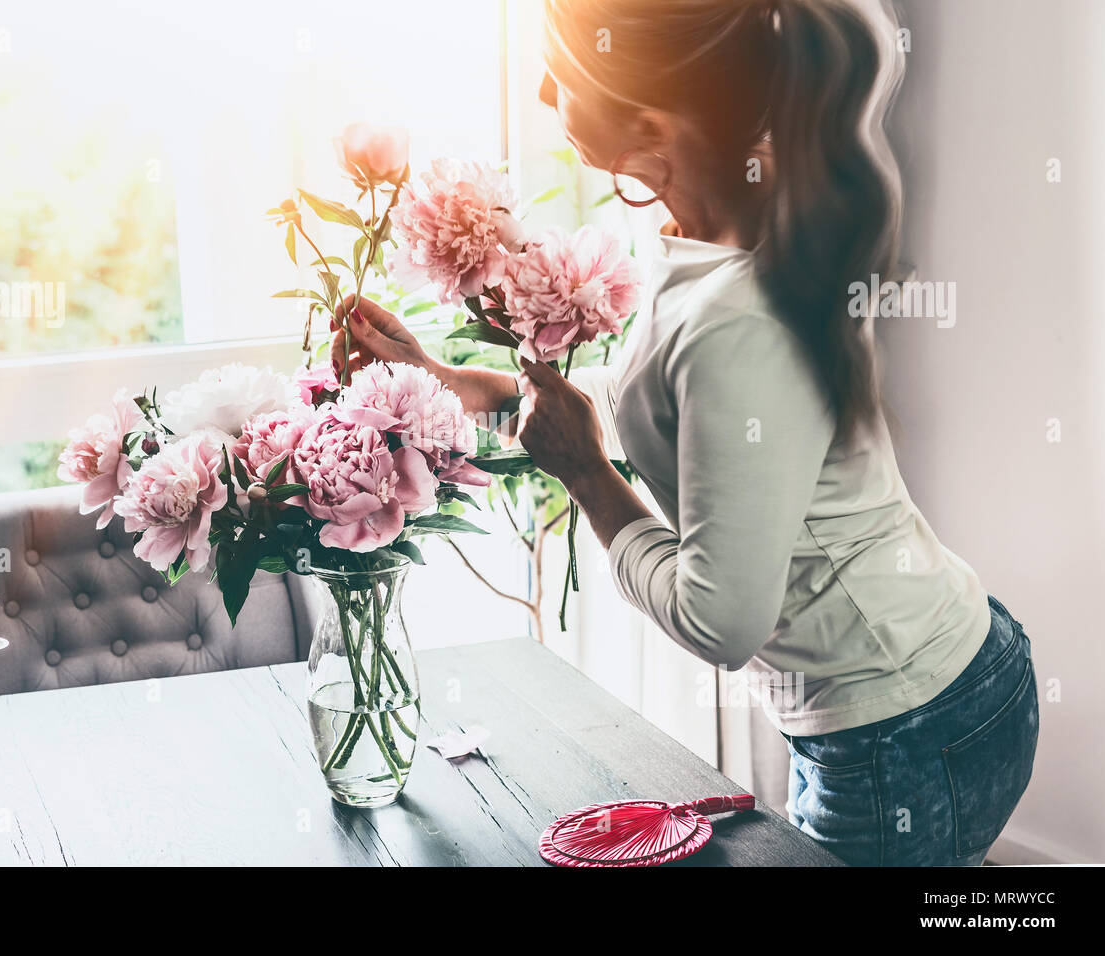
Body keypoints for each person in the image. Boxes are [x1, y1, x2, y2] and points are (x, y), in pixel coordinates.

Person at [331, 0, 1037, 866]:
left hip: (907, 730)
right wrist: (463, 387)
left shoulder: (739, 313)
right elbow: (672, 411)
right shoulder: (714, 227)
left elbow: (721, 618)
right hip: (931, 688)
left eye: (566, 72)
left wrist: (589, 479)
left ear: (652, 124)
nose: (547, 86)